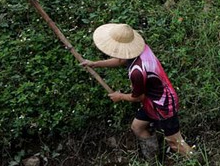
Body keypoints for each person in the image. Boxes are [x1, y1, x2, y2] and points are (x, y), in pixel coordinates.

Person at [81, 23, 194, 158]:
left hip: (163, 105)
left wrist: (120, 96)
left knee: (175, 143)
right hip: (152, 100)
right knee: (138, 127)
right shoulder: (140, 49)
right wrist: (95, 64)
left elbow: (138, 97)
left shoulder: (137, 71)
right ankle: (154, 160)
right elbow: (120, 60)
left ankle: (199, 164)